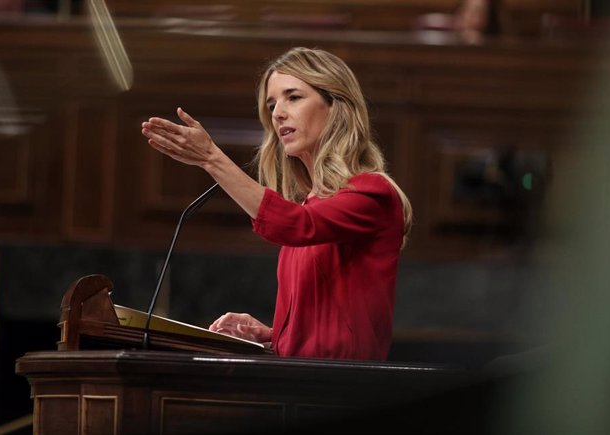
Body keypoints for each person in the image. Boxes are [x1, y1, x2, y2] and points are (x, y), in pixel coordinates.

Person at [141, 47, 412, 361]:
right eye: (272, 104)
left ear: (336, 105)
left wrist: (212, 159)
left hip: (342, 389)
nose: (278, 113)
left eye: (293, 97)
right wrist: (274, 334)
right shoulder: (312, 204)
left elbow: (295, 226)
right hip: (300, 383)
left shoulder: (371, 193)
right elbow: (330, 319)